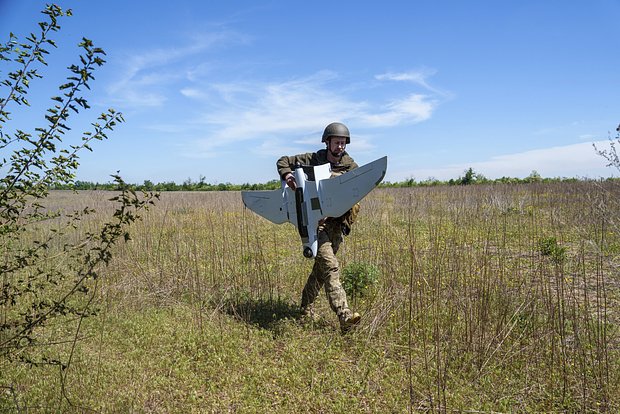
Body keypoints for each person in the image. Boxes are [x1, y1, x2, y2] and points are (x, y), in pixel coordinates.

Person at [276, 122, 362, 333]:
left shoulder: (351, 167)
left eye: (343, 143)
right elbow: (283, 161)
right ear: (327, 142)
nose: (340, 146)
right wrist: (288, 175)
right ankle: (345, 316)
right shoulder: (313, 159)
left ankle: (304, 309)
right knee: (331, 268)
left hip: (337, 226)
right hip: (316, 224)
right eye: (336, 142)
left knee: (320, 272)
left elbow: (356, 190)